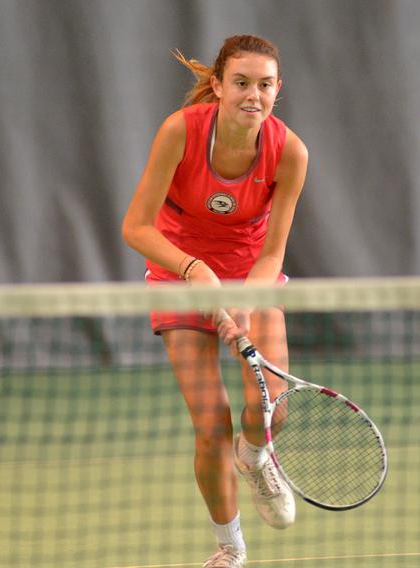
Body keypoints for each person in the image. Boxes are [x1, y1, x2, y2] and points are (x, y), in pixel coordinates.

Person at [121, 35, 308, 568]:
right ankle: (230, 548)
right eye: (242, 83)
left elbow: (275, 250)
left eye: (265, 85)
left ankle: (254, 455)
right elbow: (135, 226)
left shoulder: (289, 152)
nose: (254, 95)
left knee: (273, 404)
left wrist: (244, 301)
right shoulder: (180, 131)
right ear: (218, 86)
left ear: (277, 90)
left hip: (250, 271)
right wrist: (195, 270)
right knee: (210, 421)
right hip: (177, 269)